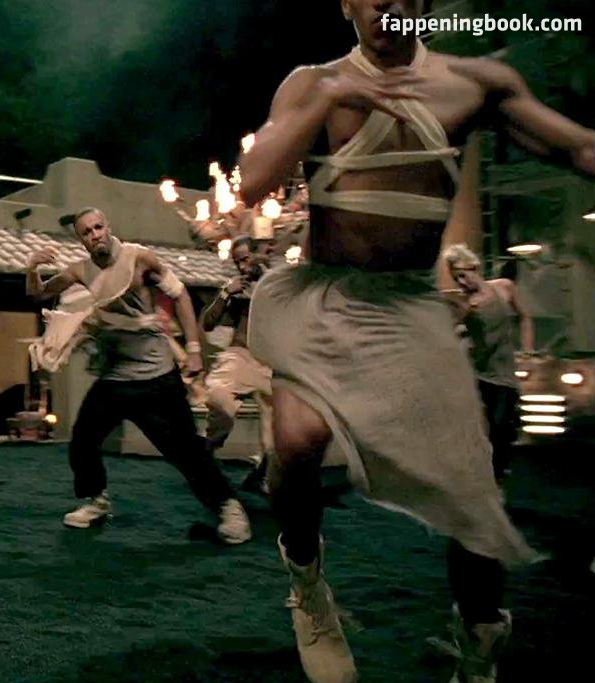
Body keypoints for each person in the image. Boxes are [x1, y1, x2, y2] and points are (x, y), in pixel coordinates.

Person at [237, 2, 593, 680]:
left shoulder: (474, 84)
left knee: (472, 497)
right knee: (296, 439)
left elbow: (578, 148)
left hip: (408, 305)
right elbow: (254, 182)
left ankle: (479, 642)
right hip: (325, 296)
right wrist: (332, 96)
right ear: (347, 4)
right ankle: (307, 583)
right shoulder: (311, 83)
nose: (388, 6)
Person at [27, 208, 252, 543]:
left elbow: (180, 295)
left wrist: (193, 349)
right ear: (81, 239)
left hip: (157, 377)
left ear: (108, 226)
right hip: (116, 378)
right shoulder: (80, 271)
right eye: (87, 232)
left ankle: (229, 508)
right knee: (83, 440)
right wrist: (32, 268)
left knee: (184, 450)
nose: (95, 235)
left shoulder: (139, 258)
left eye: (98, 227)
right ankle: (96, 501)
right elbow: (38, 293)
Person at [443, 244, 533, 483]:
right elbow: (451, 331)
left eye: (462, 275)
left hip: (504, 371)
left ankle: (497, 474)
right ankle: (484, 479)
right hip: (479, 372)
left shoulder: (504, 287)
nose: (461, 282)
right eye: (456, 278)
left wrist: (527, 351)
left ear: (474, 267)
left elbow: (525, 317)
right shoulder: (465, 302)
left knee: (503, 427)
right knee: (483, 428)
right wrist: (464, 319)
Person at [200, 235, 274, 486]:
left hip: (270, 362)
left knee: (276, 423)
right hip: (240, 356)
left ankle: (264, 473)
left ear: (259, 254)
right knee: (218, 397)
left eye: (245, 259)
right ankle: (207, 453)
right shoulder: (234, 287)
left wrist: (263, 278)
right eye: (237, 262)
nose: (242, 267)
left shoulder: (276, 284)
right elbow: (207, 323)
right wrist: (225, 293)